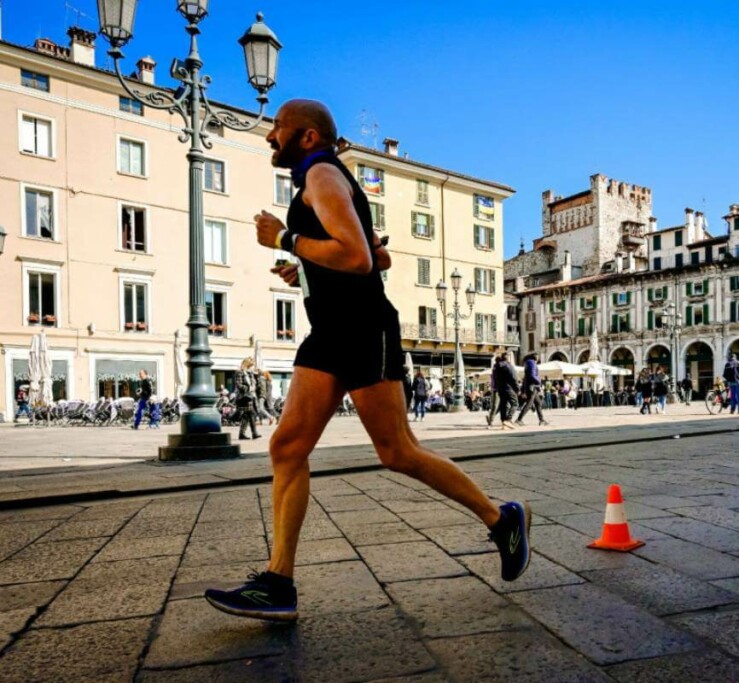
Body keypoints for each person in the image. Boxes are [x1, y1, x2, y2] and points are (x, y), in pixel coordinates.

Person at [205, 100, 529, 622]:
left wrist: (285, 239)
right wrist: (305, 269)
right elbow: (378, 255)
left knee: (397, 451)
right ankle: (278, 582)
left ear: (307, 137)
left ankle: (500, 519)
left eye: (278, 127)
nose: (270, 136)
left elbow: (358, 258)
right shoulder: (319, 177)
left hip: (361, 329)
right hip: (330, 331)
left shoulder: (321, 172)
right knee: (287, 446)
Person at [515, 353, 548, 426]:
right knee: (529, 404)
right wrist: (539, 381)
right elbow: (532, 376)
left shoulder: (528, 363)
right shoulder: (531, 363)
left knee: (538, 403)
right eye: (538, 356)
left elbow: (526, 378)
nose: (538, 358)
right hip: (532, 387)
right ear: (535, 357)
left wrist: (523, 390)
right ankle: (519, 419)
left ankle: (541, 420)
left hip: (531, 387)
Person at [234, 357, 260, 440]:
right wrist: (249, 388)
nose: (252, 367)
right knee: (251, 413)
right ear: (247, 364)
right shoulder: (240, 372)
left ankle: (242, 434)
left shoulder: (250, 374)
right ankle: (254, 433)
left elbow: (254, 385)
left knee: (246, 415)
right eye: (251, 365)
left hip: (250, 396)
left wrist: (254, 386)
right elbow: (239, 385)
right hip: (243, 397)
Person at [494, 352, 519, 429]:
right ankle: (508, 420)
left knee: (503, 405)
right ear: (508, 358)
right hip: (508, 388)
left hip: (500, 388)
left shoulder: (497, 367)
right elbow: (514, 378)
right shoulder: (508, 366)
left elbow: (495, 379)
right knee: (515, 403)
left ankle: (504, 423)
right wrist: (517, 388)